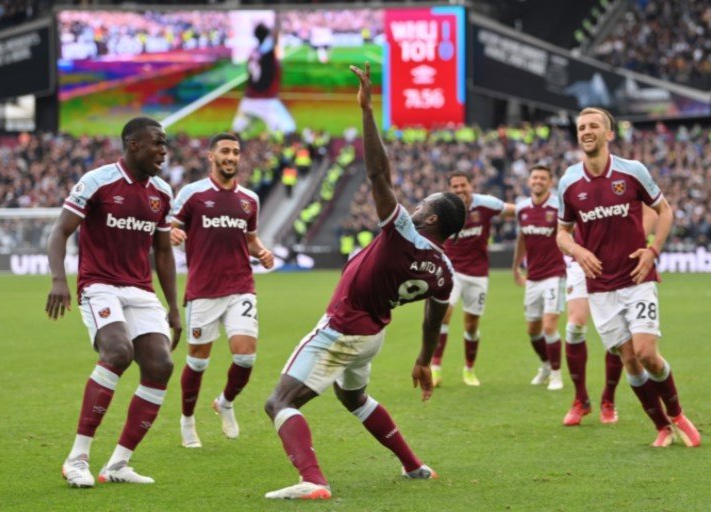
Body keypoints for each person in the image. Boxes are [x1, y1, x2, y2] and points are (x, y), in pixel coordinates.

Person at [262, 62, 466, 500]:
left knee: (278, 403)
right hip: (372, 334)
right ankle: (415, 467)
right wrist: (424, 360)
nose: (413, 205)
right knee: (353, 399)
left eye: (422, 203)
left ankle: (314, 481)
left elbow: (377, 174)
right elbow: (435, 315)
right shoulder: (444, 270)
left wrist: (368, 110)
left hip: (343, 327)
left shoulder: (403, 234)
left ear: (430, 217)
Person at [46, 117, 182, 487]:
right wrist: (59, 280)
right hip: (99, 285)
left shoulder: (163, 192)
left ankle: (119, 464)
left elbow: (163, 253)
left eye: (165, 143)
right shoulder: (97, 182)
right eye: (157, 143)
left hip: (141, 290)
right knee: (118, 352)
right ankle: (77, 459)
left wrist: (174, 306)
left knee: (161, 365)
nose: (164, 151)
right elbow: (59, 232)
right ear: (133, 144)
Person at [556, 106, 700, 447]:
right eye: (581, 127)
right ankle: (661, 427)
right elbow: (561, 234)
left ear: (609, 134)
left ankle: (678, 413)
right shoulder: (569, 182)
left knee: (647, 352)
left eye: (593, 126)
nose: (586, 131)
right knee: (630, 361)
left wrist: (652, 250)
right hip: (600, 288)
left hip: (637, 277)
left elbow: (664, 211)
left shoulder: (632, 171)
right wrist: (577, 250)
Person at [169, 132, 274, 447]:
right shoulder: (192, 194)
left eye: (236, 152)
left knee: (245, 358)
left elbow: (250, 239)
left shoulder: (249, 199)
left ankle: (225, 402)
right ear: (211, 156)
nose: (231, 157)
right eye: (225, 151)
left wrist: (263, 252)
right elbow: (170, 225)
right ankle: (187, 421)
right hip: (202, 289)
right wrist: (171, 234)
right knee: (198, 363)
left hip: (240, 286)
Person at [561, 207, 657, 426]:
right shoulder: (573, 180)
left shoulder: (626, 175)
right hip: (583, 262)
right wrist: (573, 248)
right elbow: (562, 230)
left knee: (619, 336)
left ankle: (608, 399)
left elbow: (652, 211)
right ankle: (580, 399)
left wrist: (629, 245)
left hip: (617, 264)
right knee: (574, 326)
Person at [431, 172, 515, 387]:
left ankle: (469, 369)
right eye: (455, 186)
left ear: (471, 185)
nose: (459, 190)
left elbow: (513, 211)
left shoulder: (486, 204)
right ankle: (435, 368)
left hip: (478, 274)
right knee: (444, 315)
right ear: (449, 189)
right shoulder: (441, 208)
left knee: (471, 325)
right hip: (451, 271)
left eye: (463, 185)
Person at [512, 165, 566, 392]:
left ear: (550, 182)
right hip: (532, 277)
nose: (538, 181)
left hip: (555, 274)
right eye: (535, 177)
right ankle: (545, 365)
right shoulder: (522, 208)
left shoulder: (557, 206)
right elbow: (522, 239)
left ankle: (556, 374)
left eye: (543, 178)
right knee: (533, 329)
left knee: (549, 326)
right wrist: (516, 267)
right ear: (529, 181)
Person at [231, 22, 295, 135]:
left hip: (250, 98)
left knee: (236, 130)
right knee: (288, 129)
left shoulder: (254, 53)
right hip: (266, 99)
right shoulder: (268, 55)